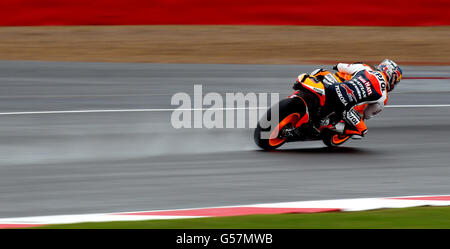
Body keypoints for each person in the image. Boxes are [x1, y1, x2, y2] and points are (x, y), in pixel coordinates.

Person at [296, 59, 403, 139]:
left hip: (334, 86)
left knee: (320, 71)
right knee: (362, 132)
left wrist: (337, 67)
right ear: (392, 77)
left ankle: (300, 94)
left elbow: (340, 66)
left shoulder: (365, 68)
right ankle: (331, 127)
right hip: (344, 106)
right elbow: (367, 114)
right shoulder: (383, 97)